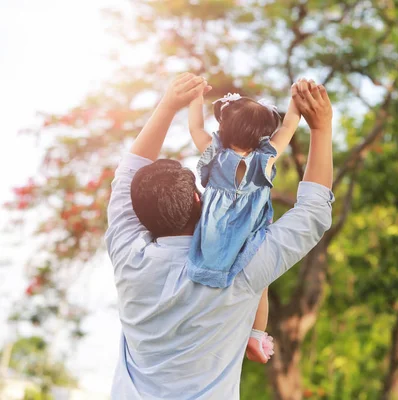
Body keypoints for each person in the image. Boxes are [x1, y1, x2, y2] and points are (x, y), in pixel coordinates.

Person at [104, 73, 334, 399]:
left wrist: (171, 105)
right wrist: (321, 128)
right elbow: (313, 213)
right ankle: (256, 334)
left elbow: (127, 176)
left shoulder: (127, 254)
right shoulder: (237, 267)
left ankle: (256, 334)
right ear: (199, 200)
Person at [186, 84, 301, 363]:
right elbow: (288, 128)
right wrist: (296, 103)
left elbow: (195, 128)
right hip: (251, 235)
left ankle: (199, 328)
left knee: (205, 282)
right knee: (260, 284)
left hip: (214, 238)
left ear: (224, 127)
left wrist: (195, 97)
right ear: (262, 133)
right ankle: (255, 334)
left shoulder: (215, 154)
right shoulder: (267, 156)